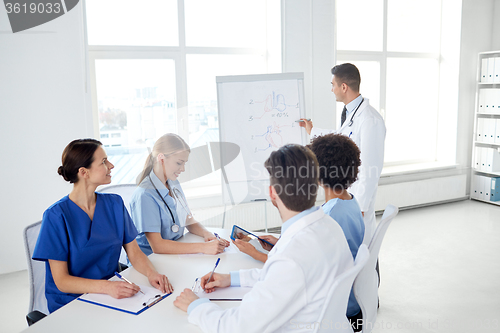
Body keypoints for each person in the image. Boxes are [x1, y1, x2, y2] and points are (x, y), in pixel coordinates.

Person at [173, 144, 353, 332]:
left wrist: (195, 306)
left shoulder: (292, 257)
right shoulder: (330, 227)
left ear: (272, 192)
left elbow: (237, 327)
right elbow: (279, 276)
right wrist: (231, 278)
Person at [33, 139, 172, 313]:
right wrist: (107, 287)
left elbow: (134, 253)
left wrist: (152, 273)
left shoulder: (114, 203)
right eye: (104, 162)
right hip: (71, 303)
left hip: (112, 294)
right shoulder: (56, 216)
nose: (111, 165)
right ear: (84, 172)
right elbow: (62, 281)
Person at [299, 63, 386, 246]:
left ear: (343, 87)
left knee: (361, 253)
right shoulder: (351, 114)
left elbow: (371, 169)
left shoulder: (370, 120)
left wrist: (360, 207)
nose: (332, 89)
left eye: (333, 85)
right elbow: (343, 137)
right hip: (348, 198)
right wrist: (313, 130)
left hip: (358, 203)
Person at [130, 133, 229, 256]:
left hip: (175, 253)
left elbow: (187, 219)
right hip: (152, 260)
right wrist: (203, 247)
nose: (183, 169)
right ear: (161, 159)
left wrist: (207, 234)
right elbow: (157, 246)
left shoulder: (173, 182)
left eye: (184, 163)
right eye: (179, 163)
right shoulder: (145, 195)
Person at [308, 133, 365, 331]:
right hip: (354, 301)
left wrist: (257, 254)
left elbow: (307, 269)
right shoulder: (350, 201)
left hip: (338, 309)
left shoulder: (330, 216)